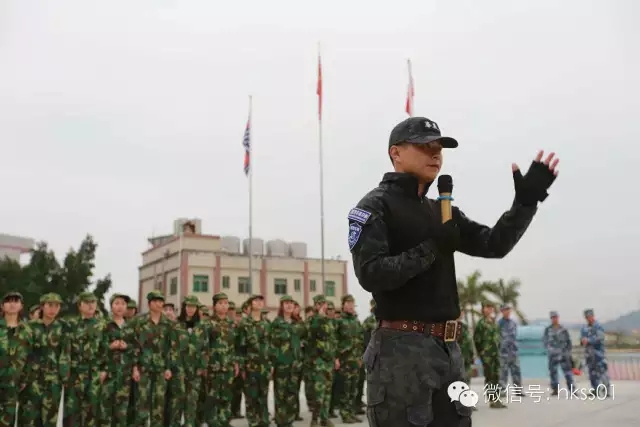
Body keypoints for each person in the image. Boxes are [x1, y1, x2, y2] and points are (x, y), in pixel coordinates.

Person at [349, 116, 559, 427]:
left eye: (439, 148)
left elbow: (494, 244)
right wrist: (433, 246)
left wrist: (525, 204)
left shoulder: (442, 210)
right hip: (400, 354)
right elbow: (371, 273)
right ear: (396, 153)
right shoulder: (375, 206)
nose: (435, 154)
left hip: (448, 350)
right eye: (424, 146)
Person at [269, 295, 304, 427]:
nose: (289, 305)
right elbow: (272, 344)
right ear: (282, 306)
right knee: (280, 395)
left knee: (292, 394)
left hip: (295, 366)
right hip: (281, 365)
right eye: (286, 303)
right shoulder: (276, 324)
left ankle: (289, 421)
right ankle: (281, 422)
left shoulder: (298, 324)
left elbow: (305, 339)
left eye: (291, 303)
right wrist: (272, 364)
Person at [474, 303, 505, 408]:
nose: (489, 309)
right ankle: (492, 400)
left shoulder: (494, 323)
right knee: (489, 377)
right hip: (487, 355)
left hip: (496, 354)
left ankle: (497, 399)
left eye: (491, 308)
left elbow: (498, 337)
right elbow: (477, 340)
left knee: (496, 376)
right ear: (483, 309)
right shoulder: (481, 323)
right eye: (487, 307)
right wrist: (481, 353)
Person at [580, 309, 611, 395]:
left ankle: (606, 390)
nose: (588, 318)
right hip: (589, 354)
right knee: (592, 373)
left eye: (589, 316)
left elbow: (600, 338)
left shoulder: (598, 326)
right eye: (586, 317)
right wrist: (582, 341)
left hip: (598, 353)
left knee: (602, 371)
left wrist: (589, 340)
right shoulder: (584, 328)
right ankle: (595, 389)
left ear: (593, 316)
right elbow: (582, 338)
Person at [543, 311, 574, 395]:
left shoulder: (563, 329)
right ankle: (555, 389)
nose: (554, 319)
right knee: (553, 372)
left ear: (558, 318)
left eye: (555, 317)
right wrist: (549, 350)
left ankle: (572, 390)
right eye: (553, 318)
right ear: (551, 319)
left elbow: (568, 341)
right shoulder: (547, 330)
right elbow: (545, 341)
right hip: (553, 355)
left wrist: (568, 352)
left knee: (568, 373)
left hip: (563, 355)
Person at [497, 304, 522, 394]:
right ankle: (502, 390)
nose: (507, 312)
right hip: (503, 353)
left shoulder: (513, 323)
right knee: (503, 373)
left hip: (513, 352)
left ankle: (518, 390)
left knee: (516, 371)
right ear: (502, 311)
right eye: (505, 310)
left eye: (508, 310)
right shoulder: (499, 324)